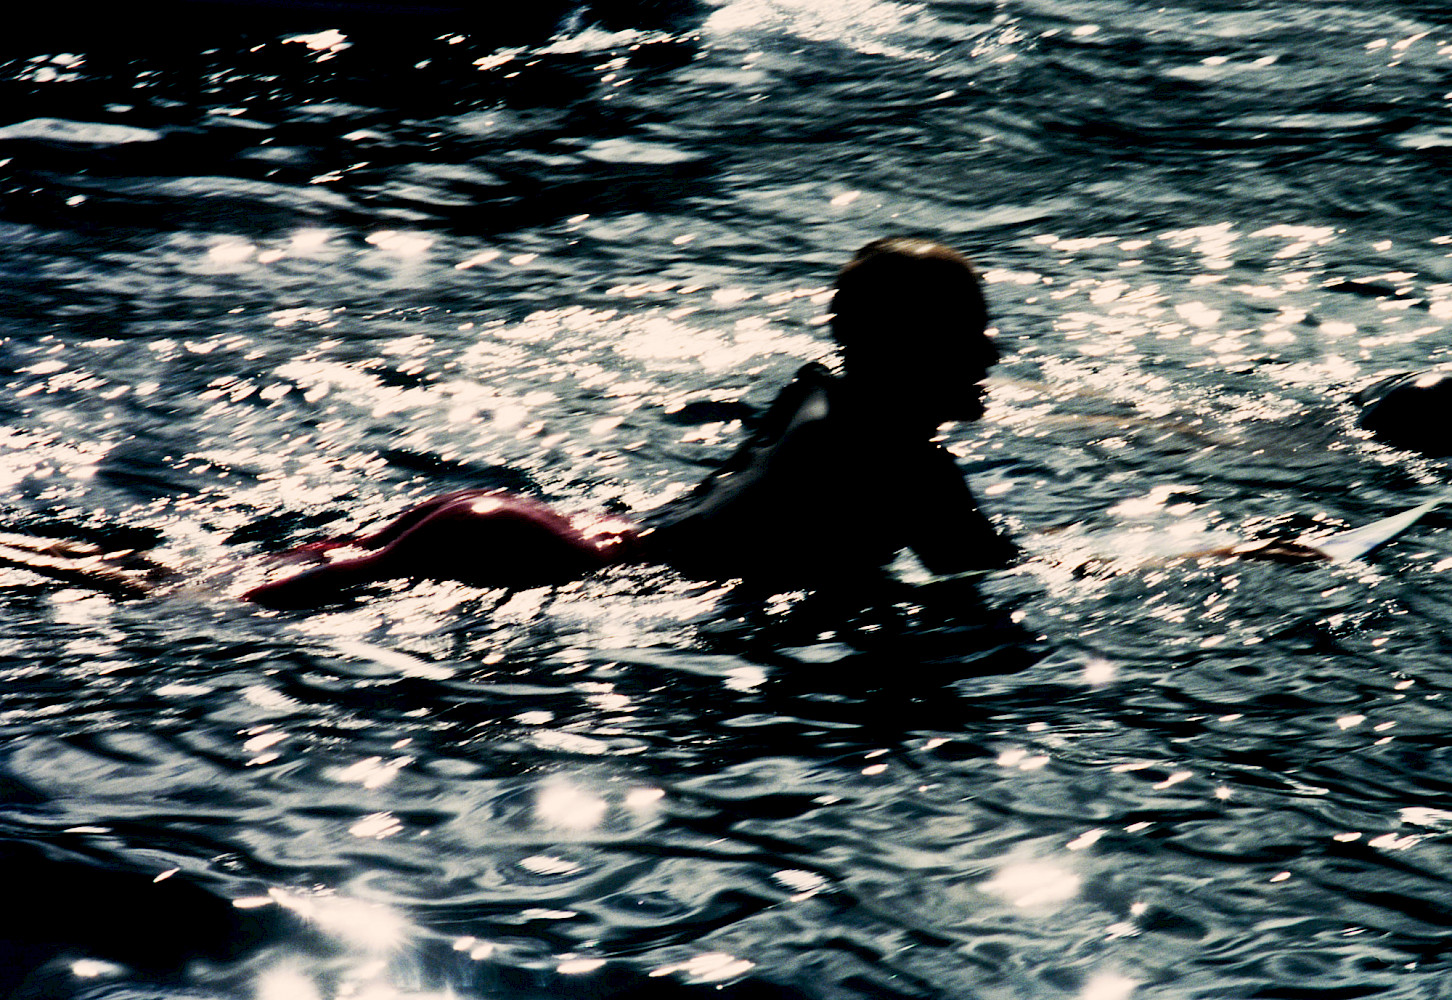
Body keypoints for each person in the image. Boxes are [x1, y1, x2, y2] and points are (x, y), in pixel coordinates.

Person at [239, 237, 1018, 608]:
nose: (991, 353)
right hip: (546, 554)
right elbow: (978, 569)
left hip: (537, 524)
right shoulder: (912, 468)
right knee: (239, 610)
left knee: (267, 575)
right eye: (971, 335)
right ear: (910, 346)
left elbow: (740, 497)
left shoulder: (813, 395)